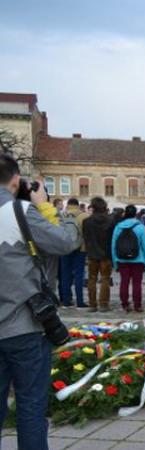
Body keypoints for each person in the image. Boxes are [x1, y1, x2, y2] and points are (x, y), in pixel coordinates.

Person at [0, 156, 80, 450]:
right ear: (15, 180)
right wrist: (53, 210)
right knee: (31, 408)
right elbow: (65, 242)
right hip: (24, 326)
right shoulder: (20, 211)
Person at [111, 205, 145, 312]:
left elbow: (113, 246)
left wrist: (115, 262)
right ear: (135, 214)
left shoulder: (118, 227)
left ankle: (125, 304)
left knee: (124, 282)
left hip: (122, 260)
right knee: (137, 283)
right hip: (138, 260)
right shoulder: (140, 227)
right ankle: (137, 305)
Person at [82, 196, 114, 312]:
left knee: (92, 279)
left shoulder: (87, 222)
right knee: (105, 278)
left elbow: (85, 237)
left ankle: (92, 304)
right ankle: (104, 304)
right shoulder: (110, 221)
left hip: (92, 253)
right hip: (106, 254)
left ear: (93, 207)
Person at [58, 198, 89, 307]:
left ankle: (66, 300)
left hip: (64, 248)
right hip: (80, 248)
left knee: (65, 275)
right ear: (77, 205)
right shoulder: (84, 216)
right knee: (79, 275)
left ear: (69, 205)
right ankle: (80, 301)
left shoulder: (61, 215)